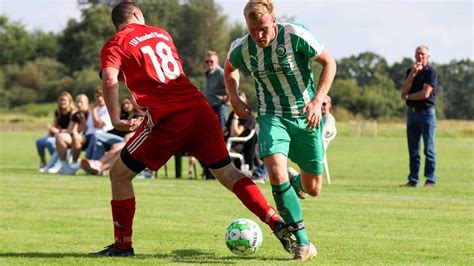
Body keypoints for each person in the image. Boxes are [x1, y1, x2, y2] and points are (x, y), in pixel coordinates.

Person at [93, 2, 296, 257]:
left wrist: (115, 119)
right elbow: (155, 72)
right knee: (228, 174)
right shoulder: (161, 33)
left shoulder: (115, 43)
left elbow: (110, 79)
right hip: (200, 111)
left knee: (118, 175)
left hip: (169, 120)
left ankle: (122, 246)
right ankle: (274, 220)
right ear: (137, 15)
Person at [224, 0, 337, 261]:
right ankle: (303, 243)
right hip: (270, 115)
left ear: (273, 21)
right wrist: (234, 97)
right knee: (275, 172)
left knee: (313, 188)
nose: (258, 36)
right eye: (253, 30)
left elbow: (328, 63)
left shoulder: (295, 35)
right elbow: (229, 69)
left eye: (263, 29)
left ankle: (295, 183)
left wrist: (317, 101)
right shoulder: (242, 47)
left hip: (305, 116)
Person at [400, 45, 438, 188]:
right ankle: (413, 180)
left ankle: (430, 180)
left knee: (429, 149)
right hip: (412, 113)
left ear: (428, 56)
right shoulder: (410, 71)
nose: (420, 57)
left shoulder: (431, 72)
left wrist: (409, 96)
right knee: (413, 149)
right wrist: (412, 75)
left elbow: (425, 93)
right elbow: (402, 91)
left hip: (427, 113)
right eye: (418, 54)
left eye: (423, 54)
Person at [81, 96, 142, 175]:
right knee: (99, 143)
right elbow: (115, 131)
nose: (126, 106)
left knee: (96, 136)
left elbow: (138, 131)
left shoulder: (138, 116)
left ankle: (90, 160)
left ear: (133, 104)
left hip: (127, 140)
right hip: (118, 139)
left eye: (128, 103)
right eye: (124, 104)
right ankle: (95, 168)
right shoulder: (123, 117)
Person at [36, 91, 76, 173]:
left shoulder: (73, 113)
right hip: (58, 133)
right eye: (61, 100)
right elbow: (55, 125)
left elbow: (70, 130)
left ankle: (56, 164)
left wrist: (58, 131)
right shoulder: (58, 112)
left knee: (49, 142)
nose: (63, 102)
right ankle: (43, 162)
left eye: (65, 100)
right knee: (39, 142)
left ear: (69, 101)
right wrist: (51, 129)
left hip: (68, 135)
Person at [223, 91, 257, 175]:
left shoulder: (248, 116)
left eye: (240, 102)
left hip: (239, 144)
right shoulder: (232, 113)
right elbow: (225, 130)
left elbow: (235, 133)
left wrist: (235, 118)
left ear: (246, 102)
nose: (237, 104)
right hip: (229, 141)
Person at [55, 94, 90, 175]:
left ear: (87, 103)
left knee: (76, 137)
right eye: (77, 102)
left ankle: (74, 164)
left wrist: (83, 123)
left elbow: (87, 129)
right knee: (59, 136)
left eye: (81, 102)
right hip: (77, 137)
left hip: (88, 137)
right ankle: (65, 165)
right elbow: (69, 130)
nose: (79, 104)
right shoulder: (76, 114)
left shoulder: (90, 113)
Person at [204, 50, 228, 128]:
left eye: (211, 61)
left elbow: (231, 87)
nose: (209, 63)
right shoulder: (208, 73)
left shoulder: (221, 73)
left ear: (217, 62)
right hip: (210, 108)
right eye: (207, 61)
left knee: (220, 132)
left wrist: (225, 99)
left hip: (219, 107)